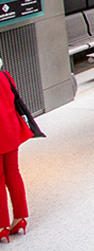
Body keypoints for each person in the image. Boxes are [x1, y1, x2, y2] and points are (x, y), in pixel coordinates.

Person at [0, 71, 32, 243]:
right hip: (11, 130)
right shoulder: (4, 75)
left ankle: (1, 226)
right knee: (13, 172)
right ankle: (20, 217)